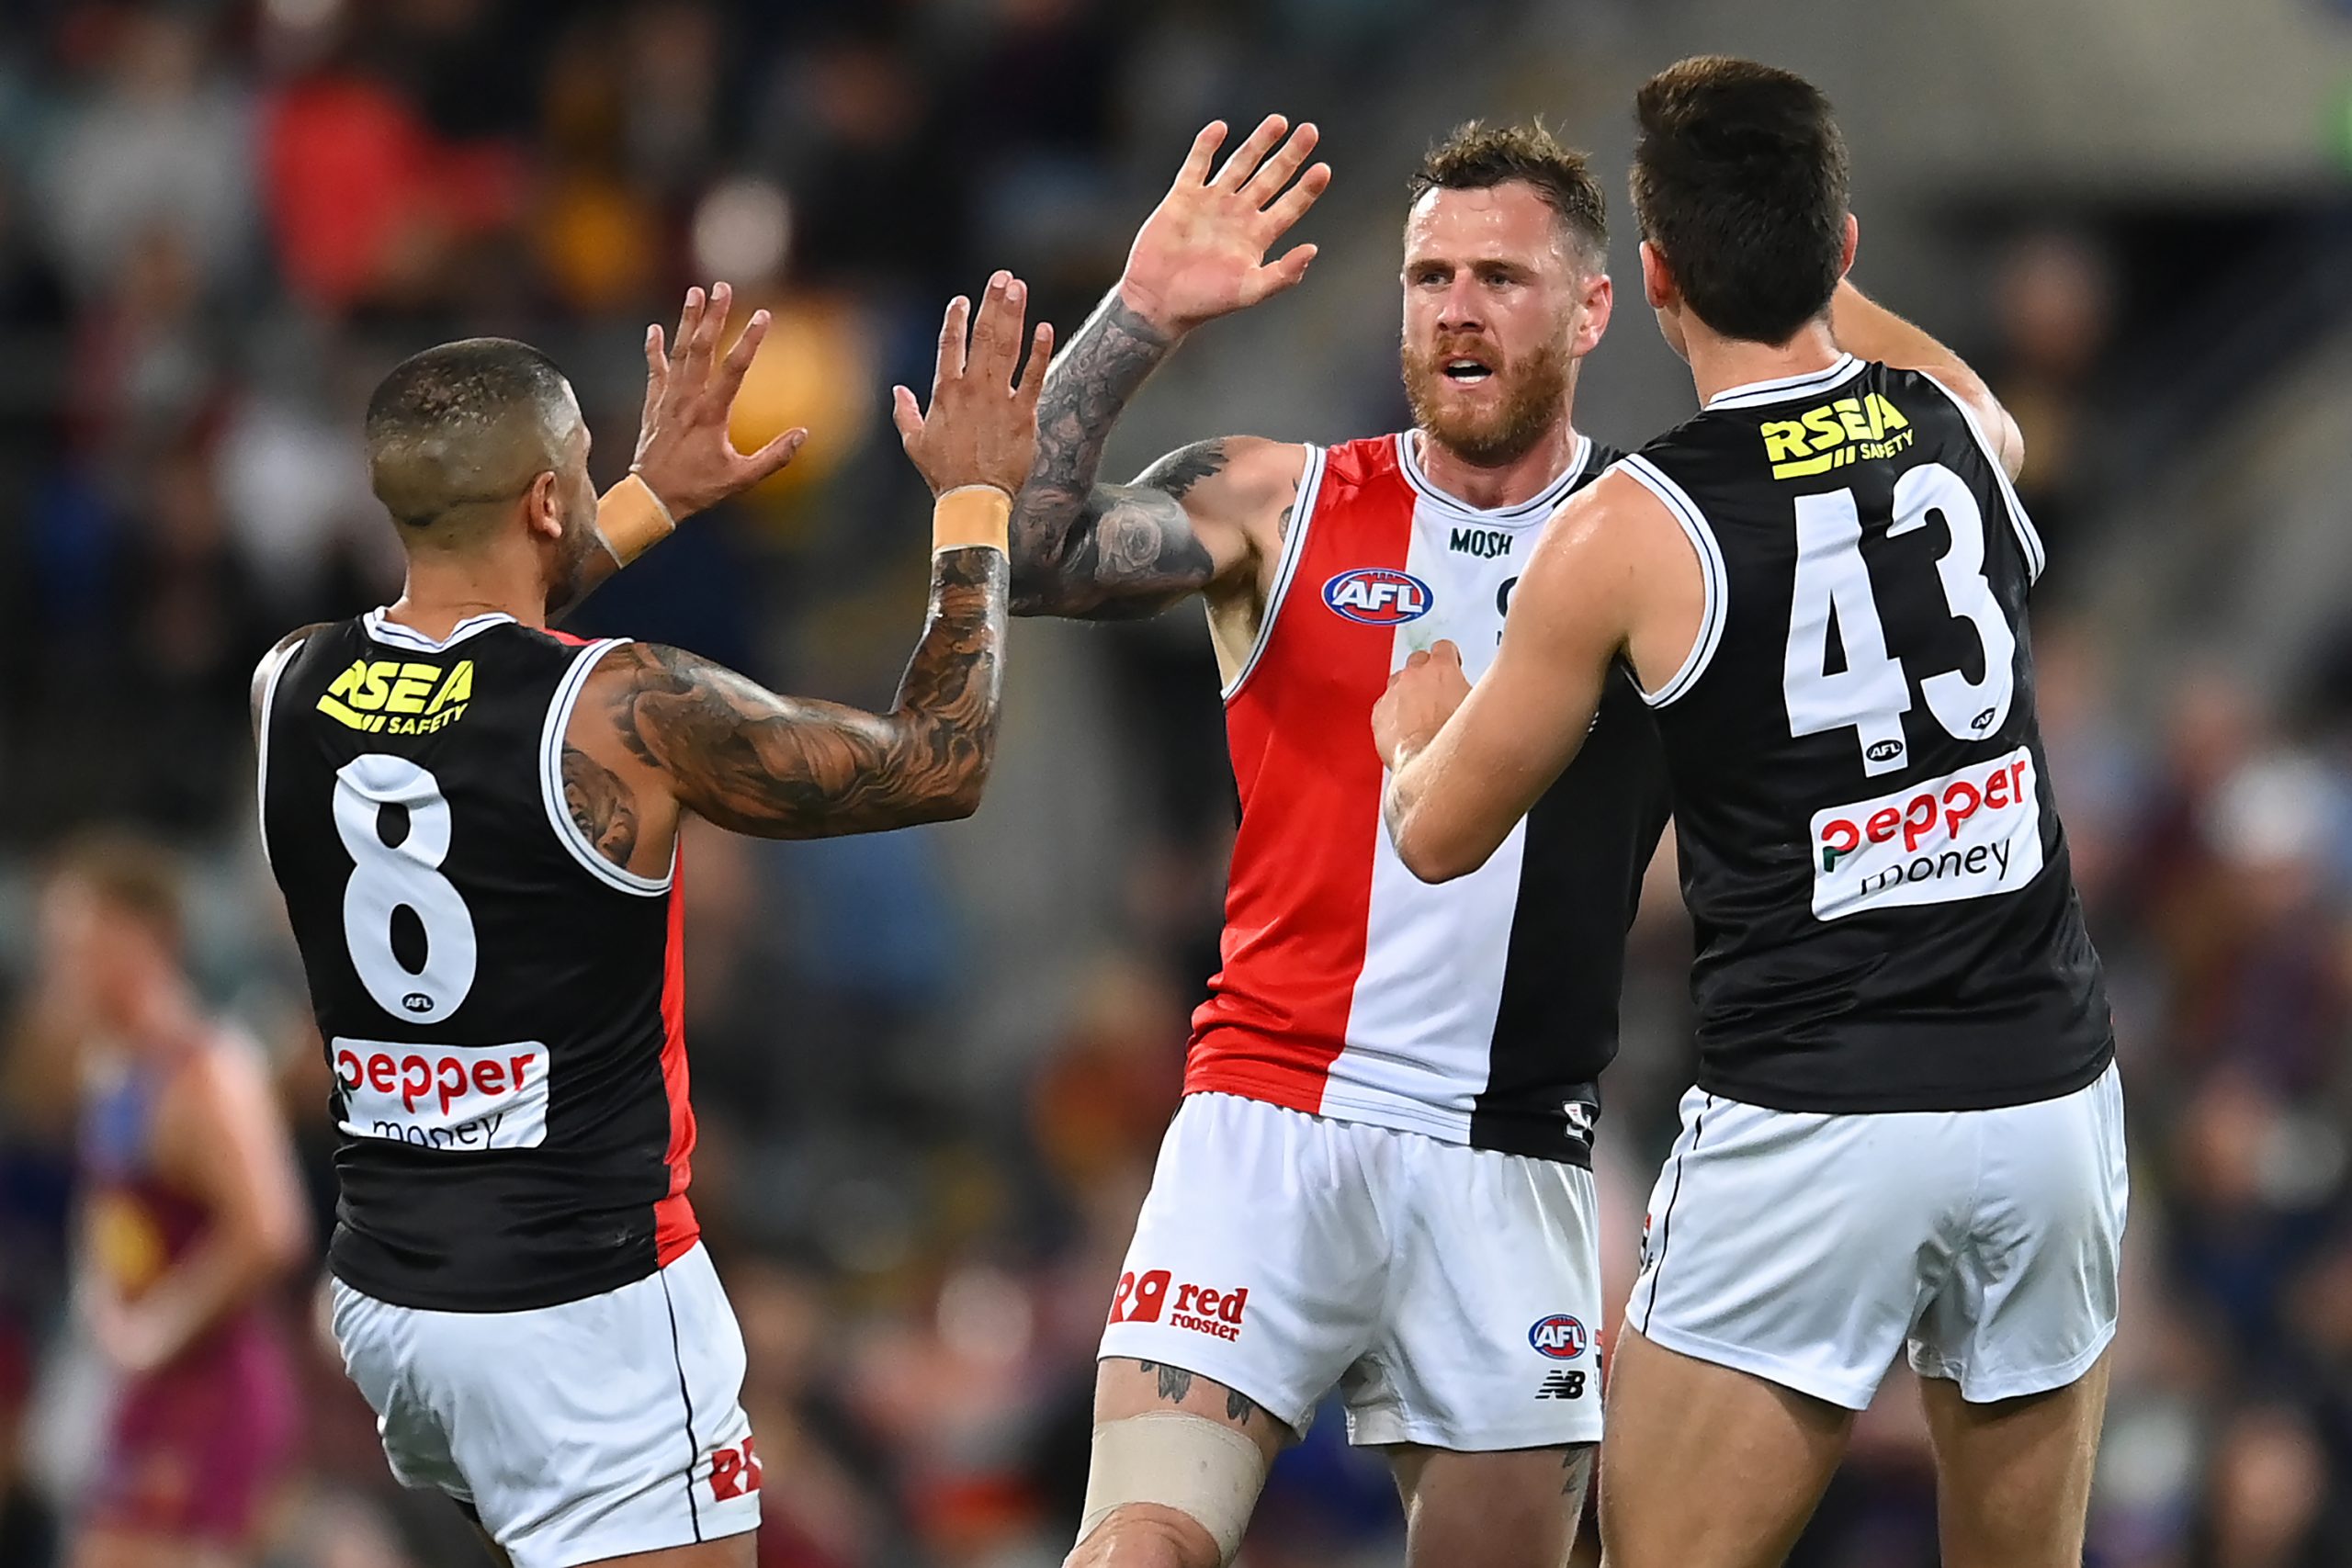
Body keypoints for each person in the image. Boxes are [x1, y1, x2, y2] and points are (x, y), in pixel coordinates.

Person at [1374, 58, 2124, 1568]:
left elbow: (1438, 834)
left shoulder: (1630, 526)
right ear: (1841, 246)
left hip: (1814, 1117)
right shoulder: (1963, 424)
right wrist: (1802, 252)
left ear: (1653, 278)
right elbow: (1901, 358)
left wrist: (1415, 731)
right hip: (2045, 1095)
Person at [252, 272, 1049, 1568]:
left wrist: (650, 497)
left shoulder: (287, 683)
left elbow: (471, 647)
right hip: (582, 1310)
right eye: (582, 469)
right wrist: (975, 500)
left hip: (393, 1303)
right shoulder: (624, 709)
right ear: (545, 501)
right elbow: (937, 762)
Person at [1009, 116, 1670, 1568]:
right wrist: (1138, 317)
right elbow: (1025, 554)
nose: (1458, 308)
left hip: (1512, 1150)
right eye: (1431, 276)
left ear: (1591, 308)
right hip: (1268, 1116)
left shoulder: (1661, 546)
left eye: (1500, 277)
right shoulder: (1278, 499)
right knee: (1139, 1545)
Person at [40, 834, 309, 1568]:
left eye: (79, 943)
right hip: (145, 1391)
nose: (62, 966)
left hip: (210, 1393)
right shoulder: (110, 1068)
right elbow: (117, 1218)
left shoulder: (207, 1070)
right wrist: (106, 1307)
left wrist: (155, 1333)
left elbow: (269, 1228)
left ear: (144, 938)